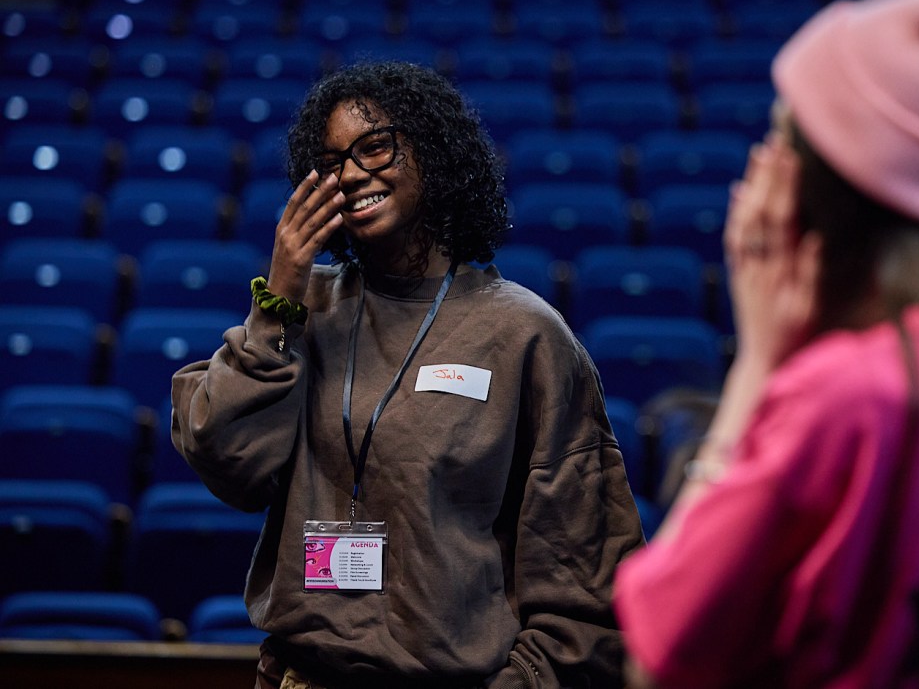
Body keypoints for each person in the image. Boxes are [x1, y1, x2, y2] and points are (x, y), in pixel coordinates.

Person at [170, 61, 645, 688]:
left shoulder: (526, 334)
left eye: (376, 146)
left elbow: (583, 575)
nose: (353, 173)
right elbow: (229, 462)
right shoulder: (300, 311)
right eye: (333, 161)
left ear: (435, 153)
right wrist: (278, 298)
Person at [613, 0, 919, 688]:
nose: (760, 174)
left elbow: (660, 649)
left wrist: (757, 370)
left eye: (784, 139)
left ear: (835, 183)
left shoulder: (846, 396)